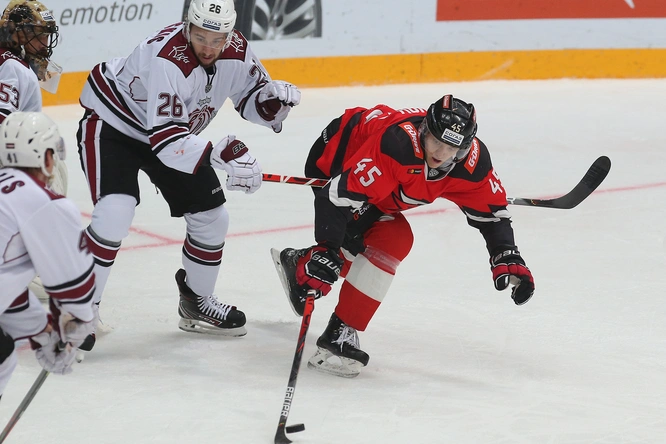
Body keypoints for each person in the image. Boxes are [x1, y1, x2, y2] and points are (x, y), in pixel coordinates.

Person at [76, 0, 301, 349]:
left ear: (229, 34)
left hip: (171, 134)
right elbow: (166, 142)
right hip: (114, 124)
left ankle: (197, 302)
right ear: (187, 27)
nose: (209, 48)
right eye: (200, 37)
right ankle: (78, 312)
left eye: (217, 39)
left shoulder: (238, 49)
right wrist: (219, 154)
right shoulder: (169, 58)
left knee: (212, 217)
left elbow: (250, 99)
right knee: (115, 213)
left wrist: (271, 103)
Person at [274, 94, 535, 378]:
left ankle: (313, 287)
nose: (441, 154)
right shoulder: (397, 146)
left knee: (381, 239)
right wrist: (326, 249)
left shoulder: (472, 165)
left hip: (387, 186)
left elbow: (493, 214)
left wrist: (505, 253)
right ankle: (310, 277)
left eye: (451, 148)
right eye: (436, 141)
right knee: (376, 237)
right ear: (424, 130)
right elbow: (337, 199)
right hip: (340, 155)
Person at [0, 112, 95, 395]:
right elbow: (74, 288)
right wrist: (73, 329)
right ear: (47, 158)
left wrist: (41, 330)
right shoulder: (44, 203)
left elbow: (6, 285)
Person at [0, 0, 67, 303]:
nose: (44, 43)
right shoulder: (13, 68)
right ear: (17, 33)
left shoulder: (12, 62)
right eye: (38, 35)